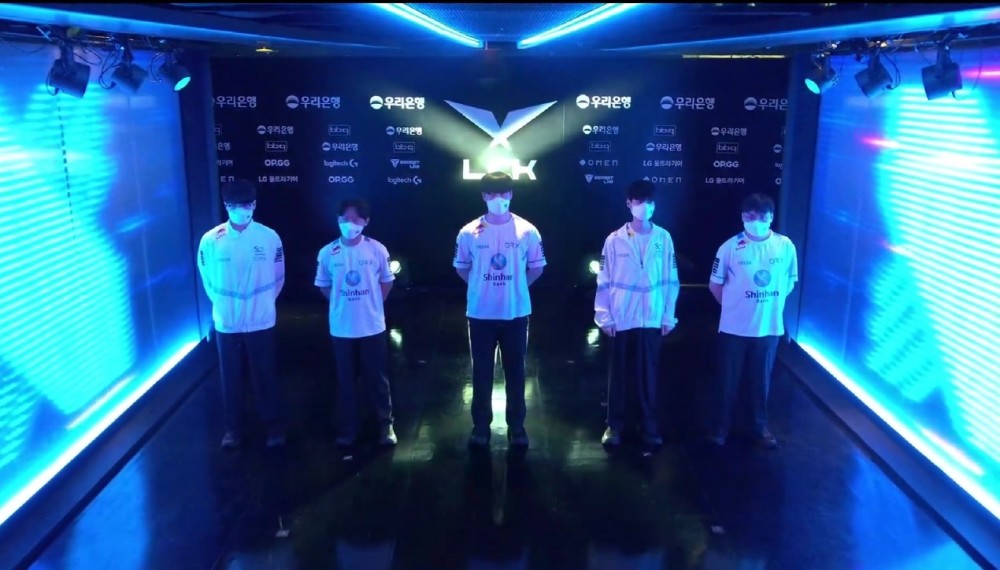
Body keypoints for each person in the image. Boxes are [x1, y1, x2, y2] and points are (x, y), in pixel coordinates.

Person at [453, 172, 546, 448]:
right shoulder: (469, 232)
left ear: (512, 194)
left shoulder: (527, 230)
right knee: (481, 373)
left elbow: (537, 267)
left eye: (504, 193)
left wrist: (517, 287)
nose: (499, 199)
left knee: (516, 372)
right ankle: (480, 427)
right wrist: (481, 286)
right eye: (492, 193)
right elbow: (462, 267)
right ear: (484, 196)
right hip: (480, 314)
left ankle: (517, 427)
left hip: (515, 313)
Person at [197, 179, 286, 449]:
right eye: (237, 205)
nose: (243, 210)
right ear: (227, 206)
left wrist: (262, 305)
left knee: (265, 376)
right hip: (227, 322)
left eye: (248, 204)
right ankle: (233, 430)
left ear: (254, 204)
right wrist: (225, 307)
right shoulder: (211, 240)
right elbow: (207, 279)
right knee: (230, 378)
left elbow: (278, 277)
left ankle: (273, 428)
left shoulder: (269, 237)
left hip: (262, 320)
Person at [706, 193, 798, 449]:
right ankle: (719, 428)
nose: (756, 221)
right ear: (743, 217)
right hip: (734, 328)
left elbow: (790, 281)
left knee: (761, 381)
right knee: (727, 380)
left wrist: (769, 306)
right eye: (750, 216)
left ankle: (758, 427)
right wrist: (734, 308)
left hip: (768, 328)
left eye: (761, 216)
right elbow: (715, 285)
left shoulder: (785, 246)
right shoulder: (730, 247)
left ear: (771, 217)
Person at [594, 179, 680, 448]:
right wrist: (604, 316)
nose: (645, 206)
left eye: (649, 202)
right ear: (629, 204)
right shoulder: (614, 239)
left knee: (648, 376)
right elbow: (603, 280)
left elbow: (671, 280)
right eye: (639, 201)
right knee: (618, 375)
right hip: (621, 317)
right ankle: (614, 426)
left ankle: (649, 427)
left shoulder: (663, 238)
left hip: (652, 317)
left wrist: (668, 315)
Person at [315, 198, 397, 449]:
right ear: (338, 220)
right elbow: (324, 285)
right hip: (342, 327)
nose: (350, 224)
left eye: (356, 219)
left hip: (372, 326)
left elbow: (387, 281)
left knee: (377, 378)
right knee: (346, 380)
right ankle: (349, 428)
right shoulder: (328, 252)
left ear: (366, 221)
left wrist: (372, 304)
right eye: (345, 219)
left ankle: (385, 425)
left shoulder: (376, 249)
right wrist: (341, 303)